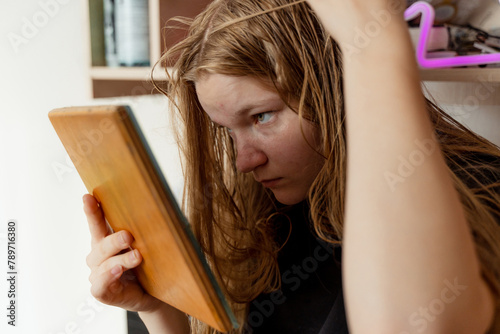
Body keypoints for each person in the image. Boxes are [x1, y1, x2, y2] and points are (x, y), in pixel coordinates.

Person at [83, 0, 500, 333]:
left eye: (262, 117)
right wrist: (156, 308)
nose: (245, 161)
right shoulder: (258, 215)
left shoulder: (476, 188)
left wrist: (373, 47)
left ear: (333, 85)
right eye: (227, 131)